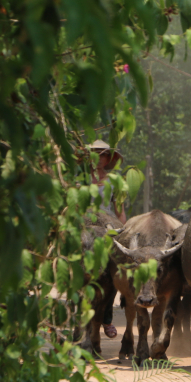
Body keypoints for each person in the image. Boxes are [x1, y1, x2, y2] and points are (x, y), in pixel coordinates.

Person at [85, 139, 125, 338]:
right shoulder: (81, 181)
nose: (98, 158)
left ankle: (107, 319)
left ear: (108, 158)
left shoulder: (115, 182)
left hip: (108, 227)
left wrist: (124, 232)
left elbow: (120, 212)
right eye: (94, 153)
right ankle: (80, 319)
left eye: (102, 154)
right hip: (85, 226)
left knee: (113, 273)